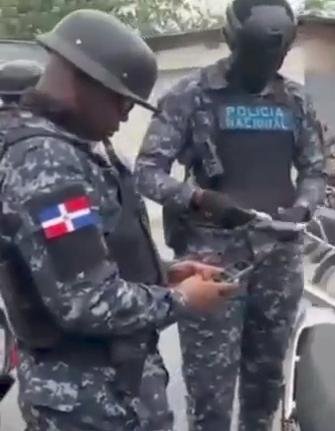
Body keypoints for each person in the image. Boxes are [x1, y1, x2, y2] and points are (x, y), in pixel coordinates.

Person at [0, 9, 235, 431]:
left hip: (118, 390)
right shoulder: (45, 162)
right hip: (85, 404)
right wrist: (182, 300)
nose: (126, 114)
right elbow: (85, 300)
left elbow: (86, 258)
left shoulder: (76, 146)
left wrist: (164, 273)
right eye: (121, 99)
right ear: (82, 81)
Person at [134, 0, 326, 429]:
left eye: (275, 56)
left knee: (267, 381)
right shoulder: (191, 95)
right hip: (212, 260)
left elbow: (315, 170)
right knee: (211, 390)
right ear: (231, 42)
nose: (265, 66)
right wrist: (201, 198)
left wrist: (303, 205)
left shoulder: (294, 99)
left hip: (278, 257)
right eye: (255, 55)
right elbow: (146, 172)